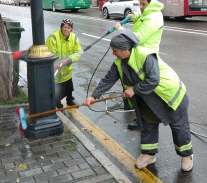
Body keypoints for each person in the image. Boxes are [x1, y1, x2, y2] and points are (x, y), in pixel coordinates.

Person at [82, 29, 193, 171]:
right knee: (147, 124)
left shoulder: (145, 56)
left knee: (178, 127)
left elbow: (153, 79)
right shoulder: (119, 62)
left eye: (115, 50)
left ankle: (186, 155)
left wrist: (134, 90)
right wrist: (93, 96)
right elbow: (108, 79)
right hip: (147, 98)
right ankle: (149, 155)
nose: (113, 53)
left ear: (125, 49)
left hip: (169, 96)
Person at [114, 0, 164, 128]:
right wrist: (134, 16)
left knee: (142, 90)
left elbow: (138, 37)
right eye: (140, 4)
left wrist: (121, 29)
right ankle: (141, 116)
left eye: (143, 4)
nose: (141, 7)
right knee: (137, 87)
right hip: (140, 54)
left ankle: (143, 119)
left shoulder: (154, 18)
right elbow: (142, 18)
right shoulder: (149, 13)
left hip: (145, 57)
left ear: (150, 3)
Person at [46, 18, 82, 108]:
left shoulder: (74, 37)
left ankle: (70, 100)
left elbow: (78, 53)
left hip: (67, 70)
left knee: (69, 87)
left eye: (69, 28)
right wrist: (56, 63)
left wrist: (68, 60)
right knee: (57, 90)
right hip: (56, 70)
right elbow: (49, 54)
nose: (66, 29)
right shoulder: (53, 37)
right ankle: (57, 104)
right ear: (61, 27)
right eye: (65, 27)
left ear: (71, 29)